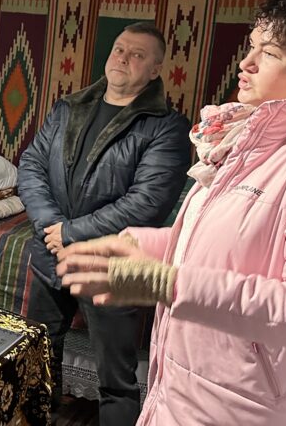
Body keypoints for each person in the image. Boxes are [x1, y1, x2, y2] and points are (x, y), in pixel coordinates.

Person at [57, 0, 286, 426]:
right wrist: (144, 247)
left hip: (262, 409)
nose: (246, 62)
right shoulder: (256, 138)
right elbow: (234, 248)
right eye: (252, 45)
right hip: (197, 391)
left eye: (271, 53)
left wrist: (165, 282)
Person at [18, 22, 191, 424]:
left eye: (137, 54)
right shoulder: (69, 107)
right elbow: (31, 165)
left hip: (112, 265)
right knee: (38, 354)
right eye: (119, 49)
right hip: (50, 255)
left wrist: (71, 233)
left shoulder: (167, 127)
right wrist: (52, 225)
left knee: (116, 379)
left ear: (155, 69)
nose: (123, 58)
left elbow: (147, 203)